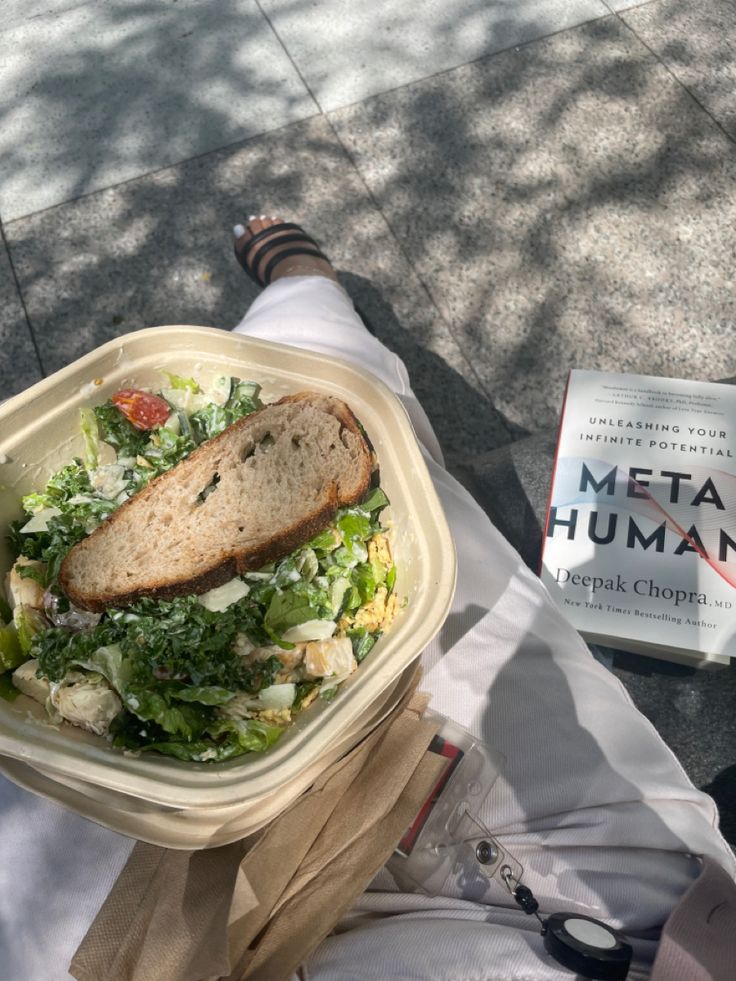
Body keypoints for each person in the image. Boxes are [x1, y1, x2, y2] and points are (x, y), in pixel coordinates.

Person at [1, 216, 734, 981]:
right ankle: (305, 283)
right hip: (636, 905)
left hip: (238, 949)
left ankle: (309, 296)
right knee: (362, 419)